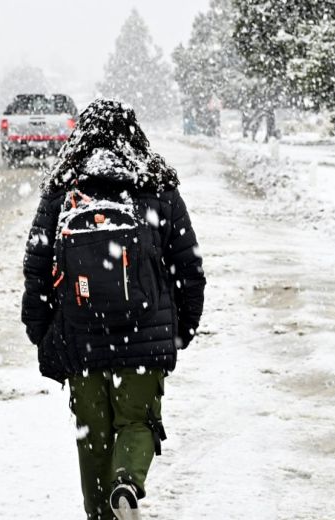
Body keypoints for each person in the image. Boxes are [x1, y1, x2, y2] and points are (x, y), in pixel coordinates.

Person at [21, 99, 206, 520]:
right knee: (138, 423)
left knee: (93, 438)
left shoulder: (64, 191)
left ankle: (100, 514)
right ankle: (127, 482)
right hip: (144, 341)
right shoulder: (157, 186)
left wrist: (39, 327)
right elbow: (188, 266)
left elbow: (37, 265)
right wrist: (183, 326)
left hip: (81, 341)